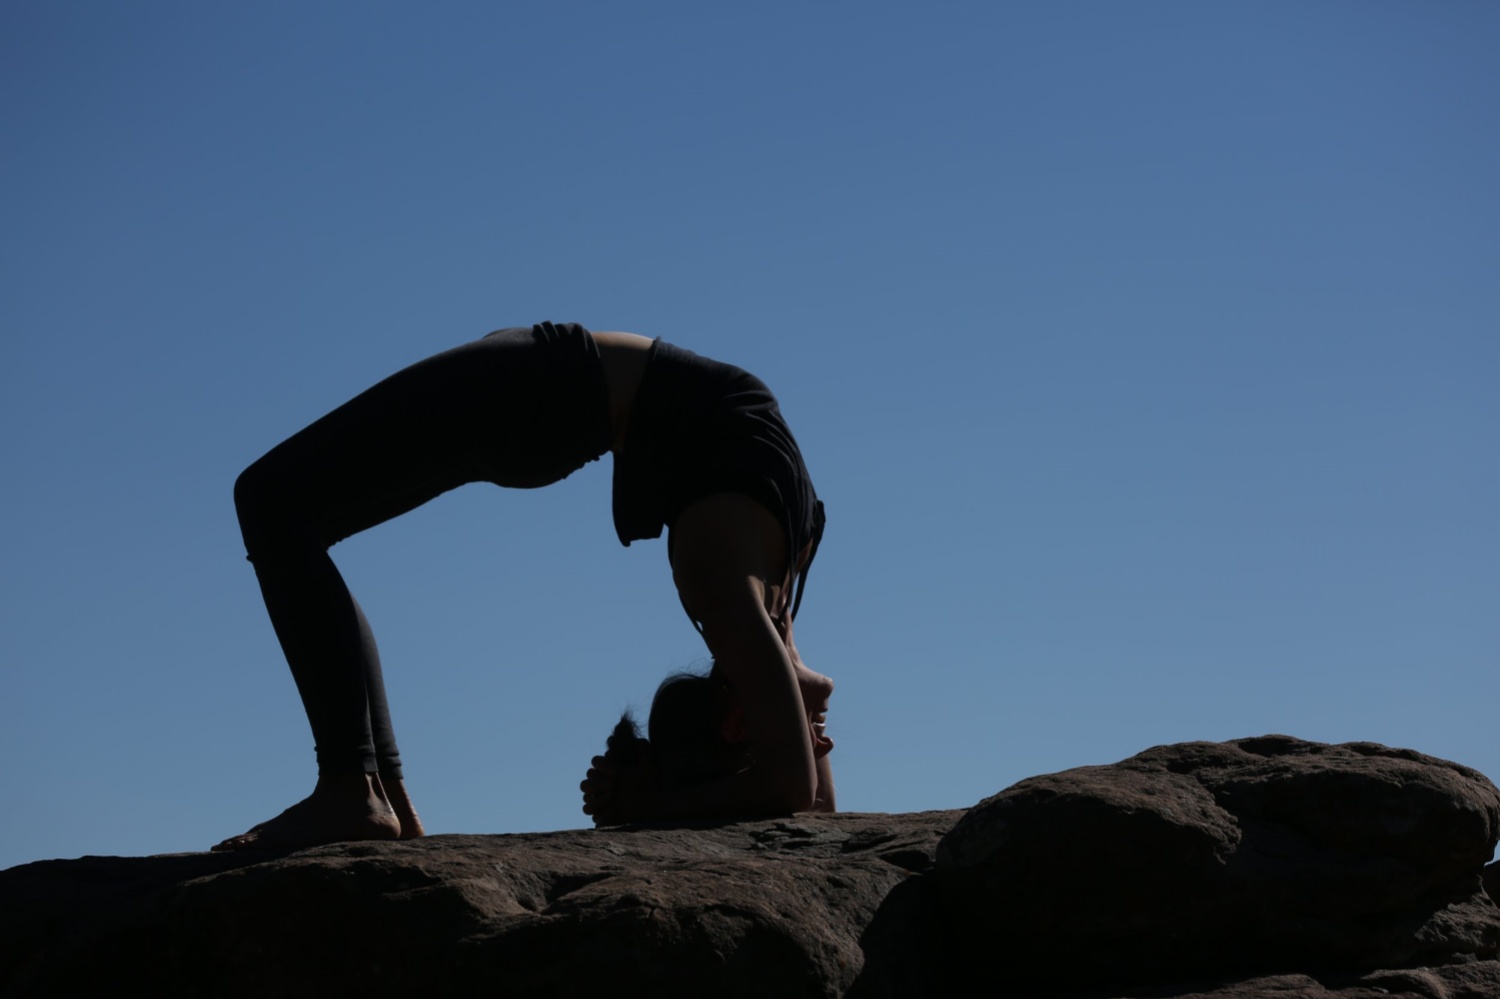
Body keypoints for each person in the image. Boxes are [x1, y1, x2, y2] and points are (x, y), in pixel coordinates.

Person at [215, 321, 832, 851]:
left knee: (274, 504)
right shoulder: (738, 588)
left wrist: (650, 801)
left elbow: (795, 784)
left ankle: (358, 789)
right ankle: (376, 794)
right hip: (567, 386)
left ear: (732, 729)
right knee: (281, 511)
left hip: (549, 388)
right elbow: (802, 789)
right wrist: (654, 799)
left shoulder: (731, 574)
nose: (785, 715)